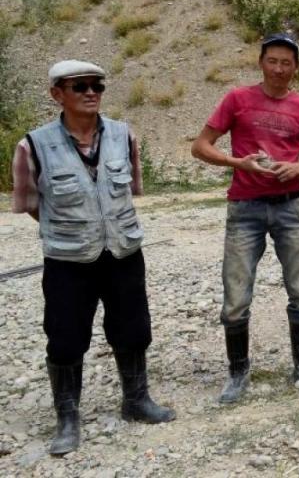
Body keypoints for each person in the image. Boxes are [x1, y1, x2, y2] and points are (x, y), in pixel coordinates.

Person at [11, 60, 175, 456]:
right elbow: (30, 203)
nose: (90, 92)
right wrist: (72, 228)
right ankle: (68, 419)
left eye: (97, 86)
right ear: (57, 94)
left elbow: (130, 190)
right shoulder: (32, 145)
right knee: (65, 337)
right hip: (68, 261)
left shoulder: (123, 135)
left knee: (133, 329)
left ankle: (136, 400)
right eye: (79, 86)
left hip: (123, 252)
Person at [191, 33, 299, 404]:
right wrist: (238, 162)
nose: (279, 69)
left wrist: (297, 167)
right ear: (261, 63)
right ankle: (238, 373)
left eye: (286, 63)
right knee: (236, 295)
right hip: (245, 208)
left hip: (291, 207)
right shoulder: (237, 99)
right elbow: (200, 146)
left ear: (296, 68)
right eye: (273, 61)